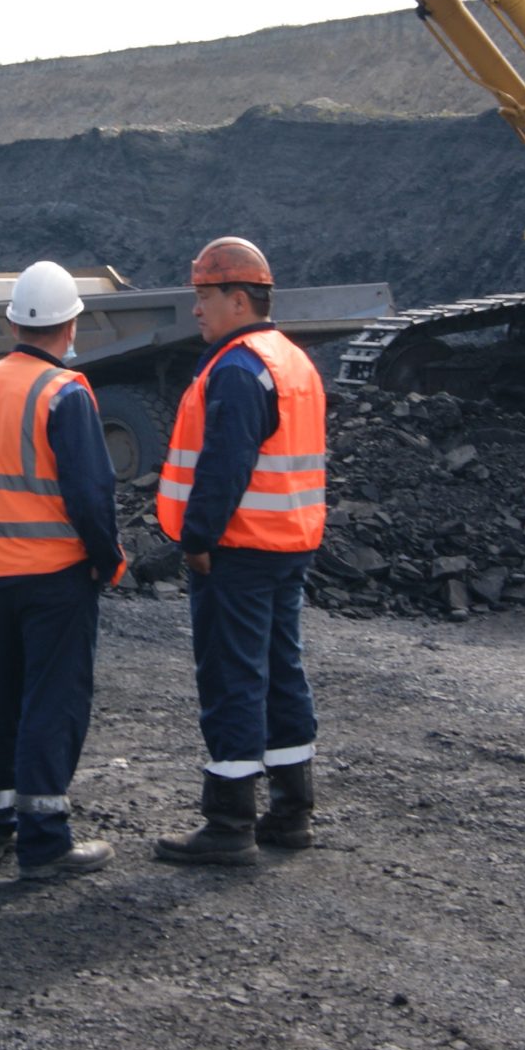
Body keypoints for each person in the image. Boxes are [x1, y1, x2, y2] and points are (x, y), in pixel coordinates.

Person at [0, 260, 127, 880]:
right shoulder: (65, 393)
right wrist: (109, 560)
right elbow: (90, 495)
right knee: (54, 698)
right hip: (55, 574)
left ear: (16, 322)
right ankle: (45, 839)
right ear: (70, 325)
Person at [152, 236, 328, 865]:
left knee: (233, 679)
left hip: (240, 550)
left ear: (238, 298)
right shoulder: (291, 360)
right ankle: (292, 812)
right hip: (289, 545)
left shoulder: (236, 368)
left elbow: (224, 468)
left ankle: (229, 824)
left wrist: (196, 541)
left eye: (204, 296)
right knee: (283, 672)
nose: (196, 308)